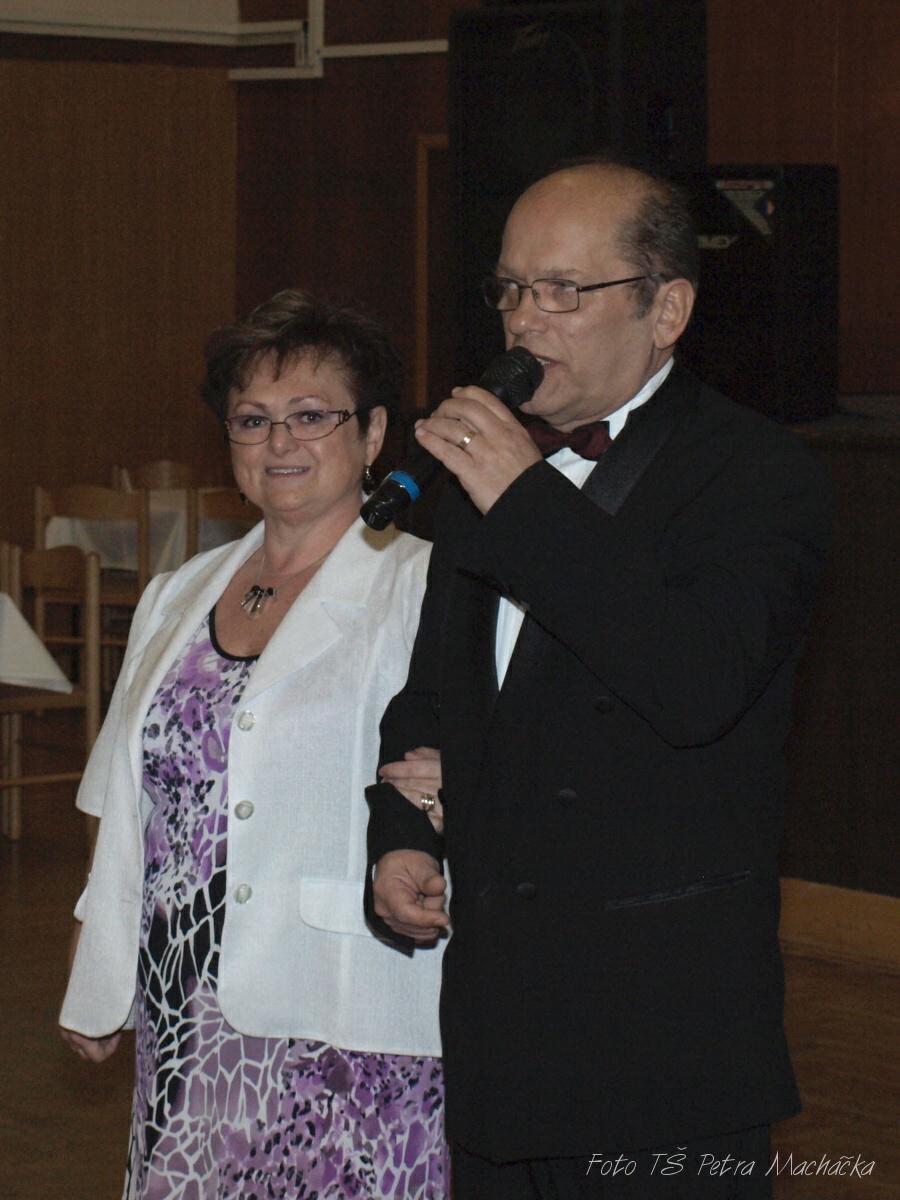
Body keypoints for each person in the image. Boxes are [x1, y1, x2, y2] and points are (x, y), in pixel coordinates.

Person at [367, 160, 833, 1197]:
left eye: (564, 291)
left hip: (661, 1038)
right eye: (510, 289)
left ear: (666, 310)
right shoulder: (488, 479)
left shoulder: (760, 473)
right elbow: (433, 694)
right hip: (498, 1031)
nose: (525, 321)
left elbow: (694, 682)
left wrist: (526, 501)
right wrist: (401, 832)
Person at [59, 290, 448, 1199]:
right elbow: (119, 797)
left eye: (312, 416)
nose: (280, 442)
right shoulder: (179, 593)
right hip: (183, 1012)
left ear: (373, 432)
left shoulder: (426, 587)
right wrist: (95, 954)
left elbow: (500, 764)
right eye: (252, 419)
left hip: (340, 1014)